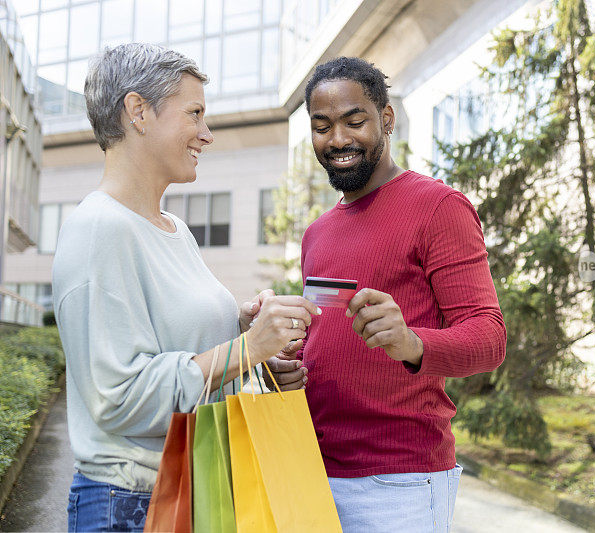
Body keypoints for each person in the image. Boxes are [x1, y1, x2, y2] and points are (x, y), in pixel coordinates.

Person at [52, 43, 319, 532]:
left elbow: (181, 348)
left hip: (193, 490)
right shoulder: (100, 230)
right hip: (131, 506)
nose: (207, 134)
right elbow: (119, 399)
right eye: (194, 113)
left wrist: (248, 334)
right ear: (138, 112)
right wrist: (245, 350)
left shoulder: (174, 229)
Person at [298, 56, 506, 532]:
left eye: (355, 121)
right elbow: (328, 342)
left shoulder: (438, 207)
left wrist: (413, 343)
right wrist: (292, 356)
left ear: (386, 120)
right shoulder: (317, 233)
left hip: (399, 484)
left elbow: (489, 338)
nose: (338, 140)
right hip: (312, 471)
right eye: (322, 126)